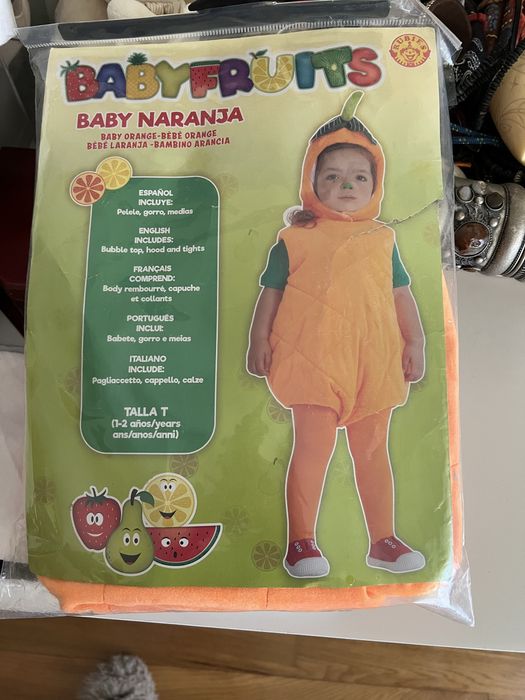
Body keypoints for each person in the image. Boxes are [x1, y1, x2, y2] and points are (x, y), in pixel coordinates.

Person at [247, 92, 426, 579]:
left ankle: (384, 540)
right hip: (313, 359)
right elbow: (270, 294)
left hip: (375, 360)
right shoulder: (294, 239)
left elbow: (402, 295)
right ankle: (301, 542)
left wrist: (415, 342)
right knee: (313, 450)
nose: (346, 184)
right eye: (332, 176)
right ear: (311, 183)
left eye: (359, 177)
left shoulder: (383, 239)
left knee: (372, 453)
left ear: (376, 184)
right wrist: (258, 340)